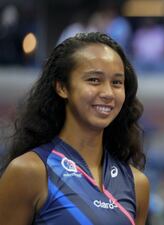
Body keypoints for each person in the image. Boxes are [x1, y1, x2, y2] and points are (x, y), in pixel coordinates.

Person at [0, 32, 149, 225]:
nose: (108, 93)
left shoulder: (137, 184)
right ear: (62, 87)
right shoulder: (30, 171)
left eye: (117, 83)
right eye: (94, 80)